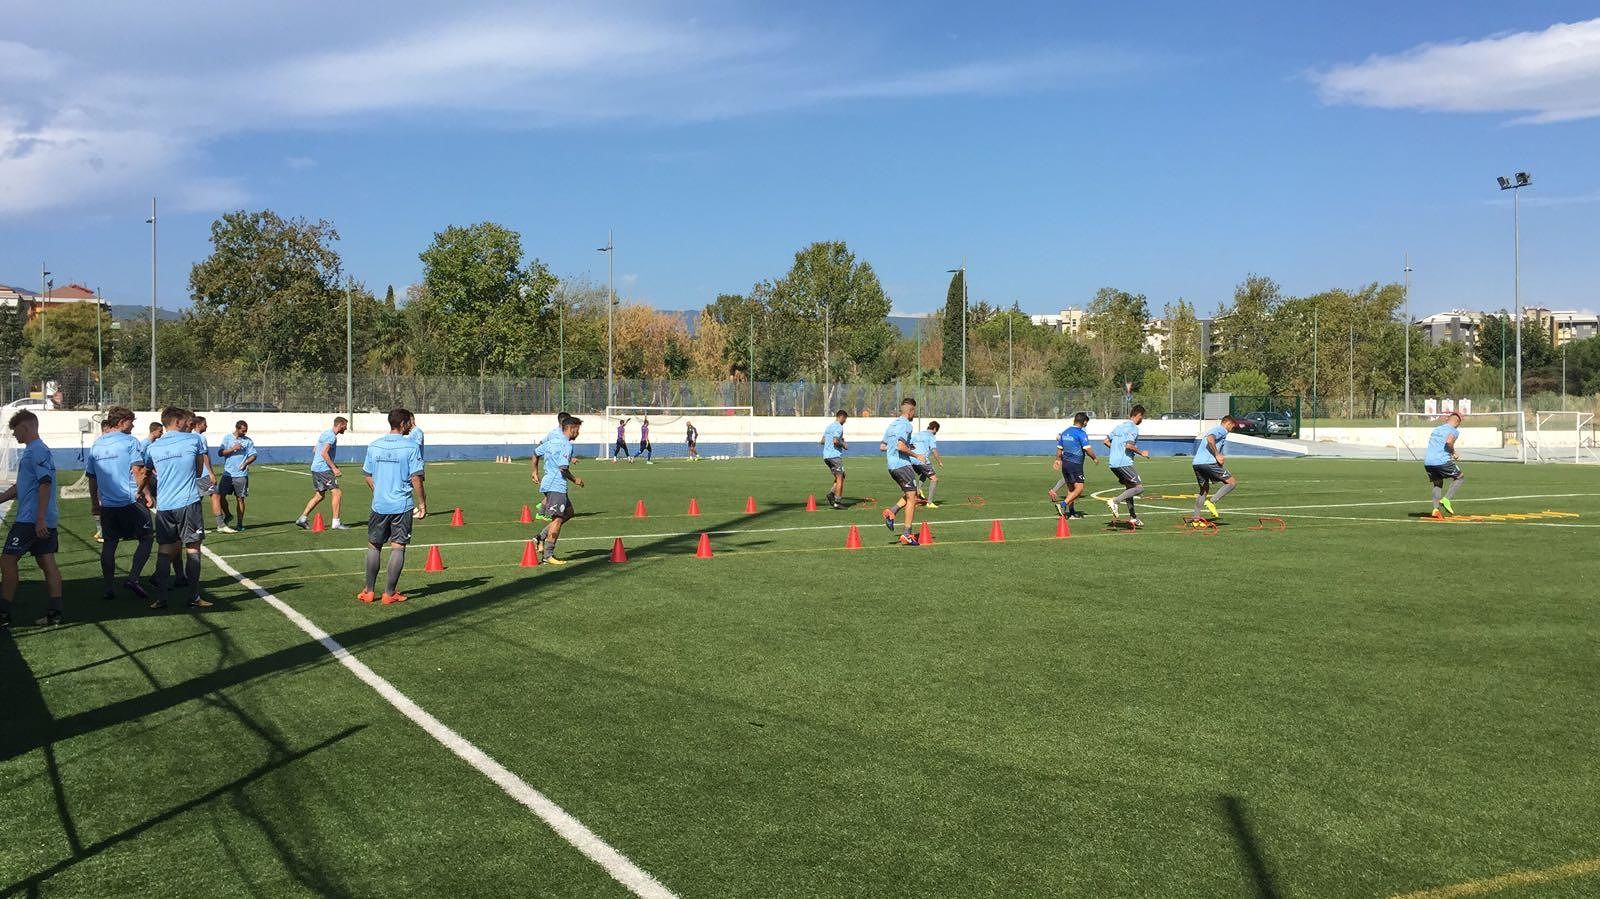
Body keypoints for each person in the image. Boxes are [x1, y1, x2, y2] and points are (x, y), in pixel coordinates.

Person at [143, 407, 212, 610]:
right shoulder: (193, 440)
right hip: (188, 502)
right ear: (177, 421)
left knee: (164, 550)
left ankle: (161, 598)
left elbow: (146, 472)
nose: (188, 423)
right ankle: (194, 596)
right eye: (184, 420)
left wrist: (144, 493)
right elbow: (198, 470)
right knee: (193, 548)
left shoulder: (153, 447)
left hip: (164, 505)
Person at [1, 410, 64, 627]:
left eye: (15, 430)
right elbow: (22, 486)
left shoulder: (37, 450)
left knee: (7, 560)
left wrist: (39, 519)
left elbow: (45, 483)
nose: (14, 435)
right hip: (41, 518)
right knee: (46, 561)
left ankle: (3, 613)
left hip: (30, 520)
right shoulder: (34, 450)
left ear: (25, 428)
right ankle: (55, 613)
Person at [85, 406, 155, 600]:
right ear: (123, 422)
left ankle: (109, 587)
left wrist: (95, 503)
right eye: (131, 422)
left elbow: (92, 478)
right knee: (147, 537)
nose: (133, 426)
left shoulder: (97, 445)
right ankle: (133, 578)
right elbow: (138, 472)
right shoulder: (130, 442)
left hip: (108, 505)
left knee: (109, 544)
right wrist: (147, 494)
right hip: (131, 501)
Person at [360, 409, 427, 605]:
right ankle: (389, 594)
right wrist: (422, 503)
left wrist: (378, 490)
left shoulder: (374, 445)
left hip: (379, 504)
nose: (411, 426)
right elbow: (416, 478)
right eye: (409, 423)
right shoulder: (411, 447)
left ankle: (369, 591)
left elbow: (367, 475)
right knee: (398, 548)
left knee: (374, 546)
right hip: (402, 505)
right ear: (403, 424)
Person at [533, 416, 585, 564]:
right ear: (571, 428)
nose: (578, 433)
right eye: (577, 429)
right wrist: (575, 480)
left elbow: (536, 453)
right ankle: (548, 555)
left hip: (548, 483)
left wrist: (534, 471)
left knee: (569, 513)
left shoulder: (553, 441)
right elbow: (563, 468)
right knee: (558, 519)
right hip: (556, 485)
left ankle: (540, 537)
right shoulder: (566, 445)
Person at [879, 398, 928, 544]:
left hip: (892, 466)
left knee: (910, 494)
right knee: (913, 498)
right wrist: (916, 455)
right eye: (914, 411)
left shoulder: (892, 425)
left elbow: (883, 446)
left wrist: (906, 446)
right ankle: (907, 534)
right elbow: (900, 447)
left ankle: (892, 511)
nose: (914, 414)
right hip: (902, 465)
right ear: (911, 410)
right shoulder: (906, 425)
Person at [296, 416, 349, 529]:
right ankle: (336, 523)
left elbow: (315, 449)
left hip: (315, 468)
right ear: (340, 425)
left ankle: (302, 518)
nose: (346, 428)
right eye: (345, 426)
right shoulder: (331, 437)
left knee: (319, 495)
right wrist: (334, 468)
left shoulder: (326, 433)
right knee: (337, 493)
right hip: (323, 469)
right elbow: (324, 453)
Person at [1103, 405, 1150, 527]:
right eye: (1142, 417)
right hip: (1124, 463)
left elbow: (1106, 441)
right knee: (1139, 488)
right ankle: (1115, 501)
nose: (1142, 420)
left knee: (1130, 488)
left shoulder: (1119, 427)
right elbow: (1129, 446)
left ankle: (1133, 517)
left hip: (1113, 463)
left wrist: (1115, 450)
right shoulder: (1133, 428)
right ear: (1139, 415)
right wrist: (1142, 453)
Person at [1050, 412, 1098, 519]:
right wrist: (1094, 458)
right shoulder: (1081, 433)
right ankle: (1063, 504)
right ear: (1084, 422)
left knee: (1071, 489)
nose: (1086, 424)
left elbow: (1059, 448)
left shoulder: (1065, 432)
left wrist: (1058, 459)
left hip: (1065, 463)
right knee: (1079, 488)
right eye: (1086, 422)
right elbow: (1087, 449)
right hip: (1075, 464)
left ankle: (1071, 512)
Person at [1192, 415, 1239, 521]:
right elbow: (1210, 439)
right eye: (1232, 427)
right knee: (1232, 482)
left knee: (1204, 490)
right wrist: (1217, 454)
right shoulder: (1221, 430)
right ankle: (1212, 502)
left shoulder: (1213, 429)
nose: (1231, 429)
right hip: (1209, 463)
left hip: (1197, 463)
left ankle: (1196, 518)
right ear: (1228, 424)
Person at [216, 420, 257, 533]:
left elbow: (253, 455)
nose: (245, 433)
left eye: (246, 431)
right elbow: (220, 453)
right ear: (237, 428)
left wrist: (245, 463)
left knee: (240, 499)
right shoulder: (227, 438)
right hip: (228, 474)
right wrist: (233, 448)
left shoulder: (248, 441)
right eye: (243, 431)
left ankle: (240, 524)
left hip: (241, 475)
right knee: (220, 497)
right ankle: (228, 515)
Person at [1425, 410, 1465, 518]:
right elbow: (1449, 441)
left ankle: (1435, 509)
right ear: (1457, 422)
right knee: (1460, 477)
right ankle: (1446, 499)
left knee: (1438, 483)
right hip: (1441, 461)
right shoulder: (1454, 431)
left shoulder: (1437, 429)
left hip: (1428, 462)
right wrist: (1453, 452)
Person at [821, 410, 849, 509]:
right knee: (840, 477)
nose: (845, 421)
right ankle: (837, 501)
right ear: (842, 417)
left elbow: (822, 441)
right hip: (834, 456)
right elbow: (835, 440)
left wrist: (838, 440)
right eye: (845, 419)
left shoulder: (829, 426)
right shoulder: (839, 427)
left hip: (826, 456)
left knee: (841, 475)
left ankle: (831, 494)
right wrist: (843, 444)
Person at [911, 421, 942, 508]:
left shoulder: (917, 434)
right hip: (922, 460)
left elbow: (910, 445)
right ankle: (929, 503)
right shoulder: (931, 436)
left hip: (912, 459)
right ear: (935, 429)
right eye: (936, 431)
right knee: (934, 479)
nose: (936, 433)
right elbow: (934, 450)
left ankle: (918, 490)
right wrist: (939, 461)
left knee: (926, 472)